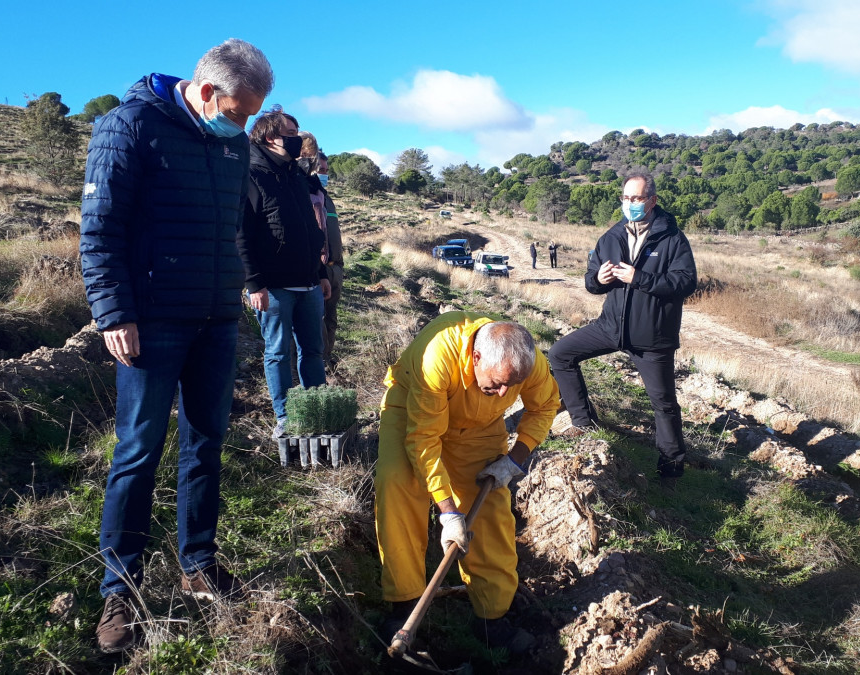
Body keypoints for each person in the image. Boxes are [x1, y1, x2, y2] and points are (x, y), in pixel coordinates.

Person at [79, 39, 272, 654]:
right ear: (208, 91)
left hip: (215, 318)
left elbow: (233, 227)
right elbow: (100, 227)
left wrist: (241, 288)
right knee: (138, 451)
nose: (244, 126)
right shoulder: (130, 125)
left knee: (206, 444)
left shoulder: (235, 143)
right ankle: (120, 589)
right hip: (151, 321)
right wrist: (114, 310)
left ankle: (199, 563)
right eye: (239, 111)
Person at [375, 312, 560, 654]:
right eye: (499, 382)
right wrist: (447, 512)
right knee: (399, 486)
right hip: (411, 408)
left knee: (490, 509)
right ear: (476, 358)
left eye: (513, 385)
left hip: (478, 426)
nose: (505, 392)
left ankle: (492, 617)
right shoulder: (438, 357)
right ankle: (404, 607)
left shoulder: (525, 362)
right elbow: (424, 440)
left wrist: (513, 460)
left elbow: (546, 406)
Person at [548, 174, 696, 488]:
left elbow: (685, 283)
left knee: (663, 403)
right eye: (626, 199)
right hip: (610, 327)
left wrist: (639, 277)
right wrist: (597, 280)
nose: (631, 205)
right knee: (560, 354)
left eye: (638, 199)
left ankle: (671, 470)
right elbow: (591, 282)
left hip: (652, 337)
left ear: (652, 201)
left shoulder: (672, 239)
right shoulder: (611, 237)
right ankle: (583, 423)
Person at [237, 109, 332, 439]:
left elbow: (310, 228)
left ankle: (317, 413)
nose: (297, 138)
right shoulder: (249, 175)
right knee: (278, 352)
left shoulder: (295, 175)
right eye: (290, 132)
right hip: (274, 288)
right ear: (269, 137)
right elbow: (241, 234)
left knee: (313, 350)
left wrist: (319, 272)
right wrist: (255, 283)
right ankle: (286, 417)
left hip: (308, 283)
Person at [295, 136, 346, 358]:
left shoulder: (327, 198)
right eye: (320, 169)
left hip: (336, 268)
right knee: (317, 319)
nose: (323, 174)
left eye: (326, 170)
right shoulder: (305, 194)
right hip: (318, 269)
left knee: (332, 318)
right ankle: (321, 361)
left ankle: (329, 356)